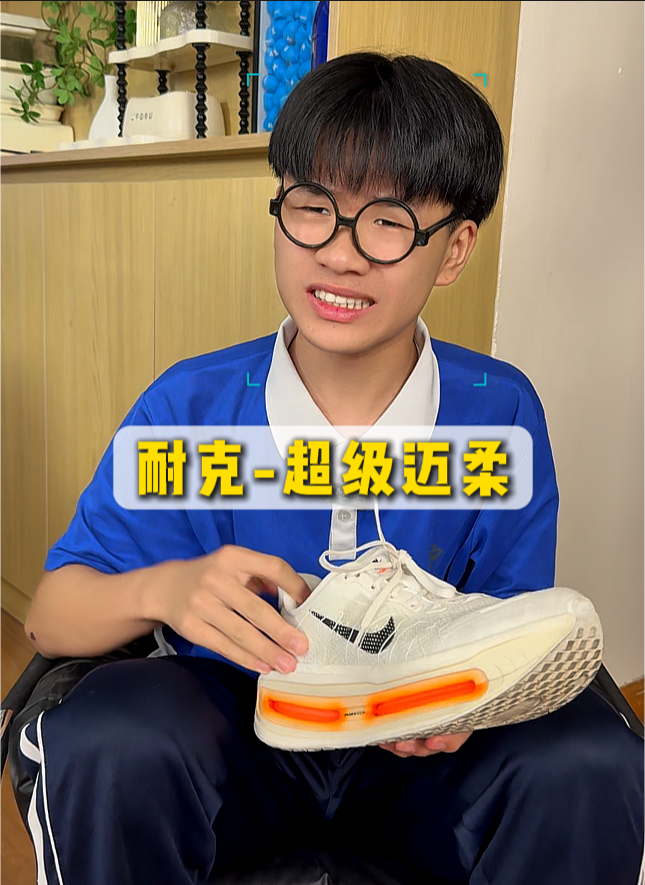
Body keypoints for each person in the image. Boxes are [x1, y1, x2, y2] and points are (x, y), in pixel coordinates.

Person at [21, 52, 643, 885]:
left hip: (415, 764)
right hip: (232, 744)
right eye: (313, 207)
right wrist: (163, 589)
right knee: (113, 733)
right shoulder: (190, 406)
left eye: (388, 220)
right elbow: (51, 618)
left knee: (587, 755)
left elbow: (512, 626)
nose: (340, 254)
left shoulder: (497, 412)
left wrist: (473, 700)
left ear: (453, 249)